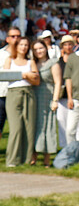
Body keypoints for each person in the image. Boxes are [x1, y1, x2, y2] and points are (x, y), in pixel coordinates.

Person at [3, 36, 40, 166]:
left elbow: (36, 80)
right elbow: (6, 76)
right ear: (16, 46)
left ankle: (26, 158)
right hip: (14, 93)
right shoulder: (10, 60)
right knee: (16, 127)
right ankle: (12, 159)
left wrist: (29, 77)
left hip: (29, 93)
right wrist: (24, 75)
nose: (23, 47)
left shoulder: (30, 62)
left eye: (26, 45)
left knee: (29, 127)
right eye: (21, 45)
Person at [31, 39, 59, 166]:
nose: (38, 51)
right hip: (34, 98)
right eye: (36, 49)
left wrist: (55, 100)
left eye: (40, 48)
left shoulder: (53, 63)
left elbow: (58, 82)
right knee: (34, 126)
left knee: (47, 126)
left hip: (48, 98)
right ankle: (33, 157)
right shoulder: (32, 64)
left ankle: (47, 160)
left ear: (46, 49)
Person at [0, 27, 22, 140]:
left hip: (19, 94)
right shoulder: (1, 54)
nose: (16, 39)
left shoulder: (25, 54)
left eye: (18, 36)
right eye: (13, 36)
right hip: (2, 95)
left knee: (18, 128)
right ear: (7, 39)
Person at [54, 35, 75, 147]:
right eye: (66, 44)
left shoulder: (76, 59)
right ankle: (64, 147)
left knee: (76, 125)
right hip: (62, 96)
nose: (68, 46)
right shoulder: (59, 62)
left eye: (70, 44)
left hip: (75, 95)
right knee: (62, 123)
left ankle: (75, 147)